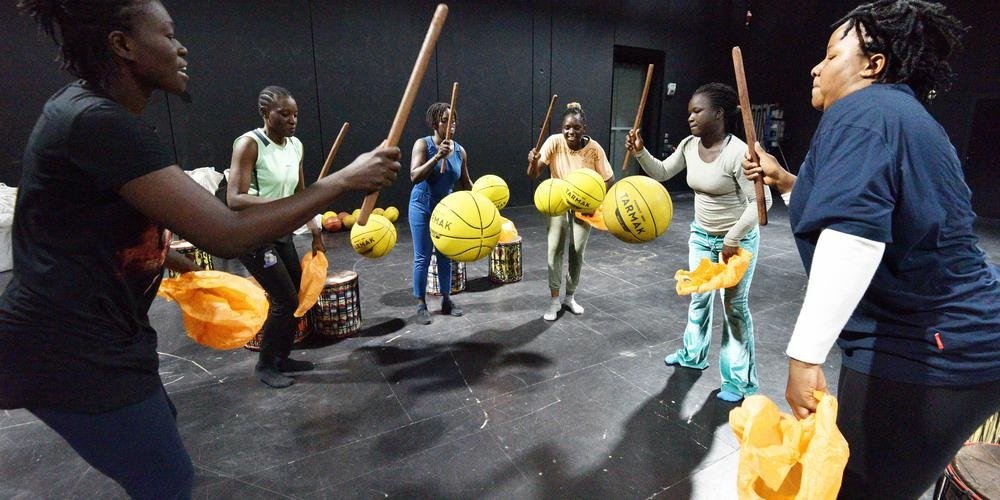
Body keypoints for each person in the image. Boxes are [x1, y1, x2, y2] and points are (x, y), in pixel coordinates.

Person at [0, 1, 400, 497]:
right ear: (122, 45)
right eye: (167, 35)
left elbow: (79, 218)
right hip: (69, 348)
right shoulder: (96, 123)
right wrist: (344, 179)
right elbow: (226, 232)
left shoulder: (89, 114)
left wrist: (163, 253)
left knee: (161, 449)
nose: (181, 46)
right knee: (166, 480)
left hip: (103, 336)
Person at [742, 1, 1000, 496]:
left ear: (872, 65)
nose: (816, 67)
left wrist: (803, 358)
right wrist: (784, 180)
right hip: (958, 336)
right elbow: (876, 212)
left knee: (863, 490)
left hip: (931, 349)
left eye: (831, 55)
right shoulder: (896, 114)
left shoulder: (863, 111)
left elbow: (854, 239)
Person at [624, 83, 771, 402]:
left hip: (738, 241)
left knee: (734, 308)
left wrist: (732, 237)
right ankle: (693, 355)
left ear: (718, 114)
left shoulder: (738, 153)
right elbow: (662, 172)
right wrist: (639, 151)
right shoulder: (690, 145)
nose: (690, 117)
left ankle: (738, 381)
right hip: (701, 236)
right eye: (689, 111)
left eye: (697, 111)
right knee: (699, 299)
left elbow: (762, 202)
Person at [228, 85, 325, 388]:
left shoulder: (296, 145)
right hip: (253, 234)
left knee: (297, 295)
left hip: (280, 231)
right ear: (265, 113)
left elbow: (301, 194)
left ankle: (283, 356)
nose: (292, 120)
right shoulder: (249, 144)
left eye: (295, 114)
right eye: (284, 114)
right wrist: (280, 206)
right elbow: (234, 198)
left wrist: (315, 231)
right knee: (284, 300)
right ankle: (265, 365)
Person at [528, 102, 614, 321]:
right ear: (561, 127)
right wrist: (533, 162)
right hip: (558, 201)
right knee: (554, 249)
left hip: (583, 207)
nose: (570, 132)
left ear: (584, 127)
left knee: (577, 252)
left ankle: (570, 297)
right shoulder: (554, 142)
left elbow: (609, 179)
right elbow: (533, 174)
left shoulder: (594, 149)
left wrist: (595, 200)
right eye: (567, 127)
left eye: (576, 127)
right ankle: (554, 300)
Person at [408, 102, 473, 324]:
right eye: (446, 120)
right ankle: (420, 304)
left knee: (446, 255)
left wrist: (483, 200)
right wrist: (437, 157)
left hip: (446, 211)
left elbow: (466, 183)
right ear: (435, 123)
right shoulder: (423, 145)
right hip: (421, 206)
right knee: (423, 257)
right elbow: (414, 176)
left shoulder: (460, 151)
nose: (451, 123)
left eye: (453, 119)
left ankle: (447, 300)